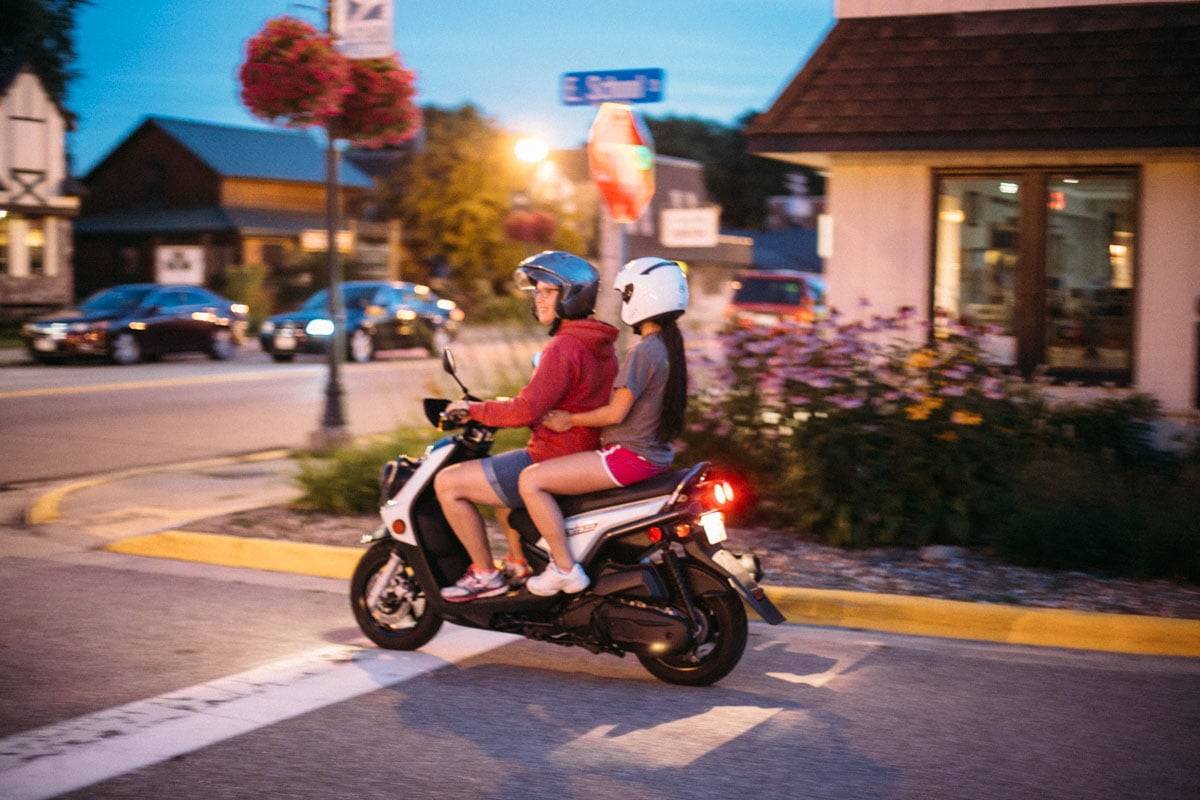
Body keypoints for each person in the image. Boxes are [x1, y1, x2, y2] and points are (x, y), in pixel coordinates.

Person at [435, 251, 619, 602]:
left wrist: (472, 410)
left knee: (449, 483)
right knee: (497, 479)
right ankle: (518, 562)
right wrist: (507, 407)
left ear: (570, 295)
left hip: (554, 456)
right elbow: (565, 398)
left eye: (547, 292)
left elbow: (525, 410)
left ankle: (485, 574)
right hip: (581, 451)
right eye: (536, 291)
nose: (538, 298)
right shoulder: (599, 342)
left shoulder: (563, 346)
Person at [519, 257, 689, 597]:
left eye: (626, 295)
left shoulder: (644, 352)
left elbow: (615, 414)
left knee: (531, 480)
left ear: (643, 297)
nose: (624, 302)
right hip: (654, 457)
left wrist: (569, 419)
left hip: (626, 458)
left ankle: (564, 569)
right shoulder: (670, 349)